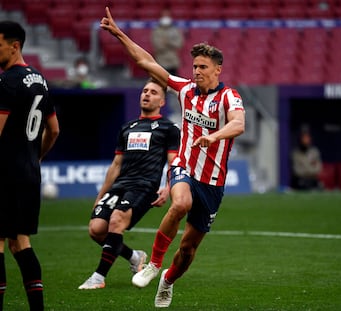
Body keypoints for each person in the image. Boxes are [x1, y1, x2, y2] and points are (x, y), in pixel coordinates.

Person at [101, 7, 245, 308]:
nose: (197, 71)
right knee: (180, 202)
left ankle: (167, 280)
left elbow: (238, 124)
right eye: (194, 66)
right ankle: (153, 264)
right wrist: (118, 34)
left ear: (218, 70)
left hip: (213, 182)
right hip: (185, 167)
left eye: (203, 67)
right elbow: (145, 61)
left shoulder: (229, 96)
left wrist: (214, 136)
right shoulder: (185, 89)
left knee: (188, 250)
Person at [78, 78, 180, 290]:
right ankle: (134, 257)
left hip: (144, 185)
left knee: (116, 221)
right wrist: (101, 195)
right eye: (145, 91)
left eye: (153, 92)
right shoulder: (127, 128)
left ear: (162, 102)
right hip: (120, 185)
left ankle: (98, 277)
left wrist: (169, 188)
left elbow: (173, 162)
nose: (147, 94)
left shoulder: (168, 128)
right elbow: (116, 165)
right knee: (96, 229)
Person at [0, 21, 60, 310]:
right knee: (20, 243)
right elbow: (55, 130)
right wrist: (34, 158)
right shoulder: (40, 79)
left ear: (14, 46)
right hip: (29, 173)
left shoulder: (6, 81)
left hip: (4, 172)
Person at [151, 9, 184, 76]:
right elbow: (157, 45)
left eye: (167, 16)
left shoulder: (175, 30)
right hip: (161, 61)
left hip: (173, 61)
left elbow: (179, 44)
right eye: (164, 16)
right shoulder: (156, 31)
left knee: (174, 82)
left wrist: (168, 42)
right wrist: (170, 44)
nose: (165, 18)